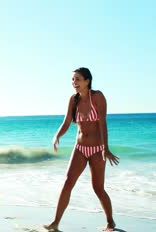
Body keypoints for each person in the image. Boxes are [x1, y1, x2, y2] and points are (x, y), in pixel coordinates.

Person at [44, 67, 119, 232]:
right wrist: (57, 136)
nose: (74, 83)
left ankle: (110, 222)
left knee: (98, 188)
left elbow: (102, 123)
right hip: (79, 148)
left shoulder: (97, 97)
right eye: (73, 80)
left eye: (77, 79)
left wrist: (105, 149)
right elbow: (66, 122)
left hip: (97, 148)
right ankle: (55, 222)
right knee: (67, 182)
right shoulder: (73, 99)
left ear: (87, 81)